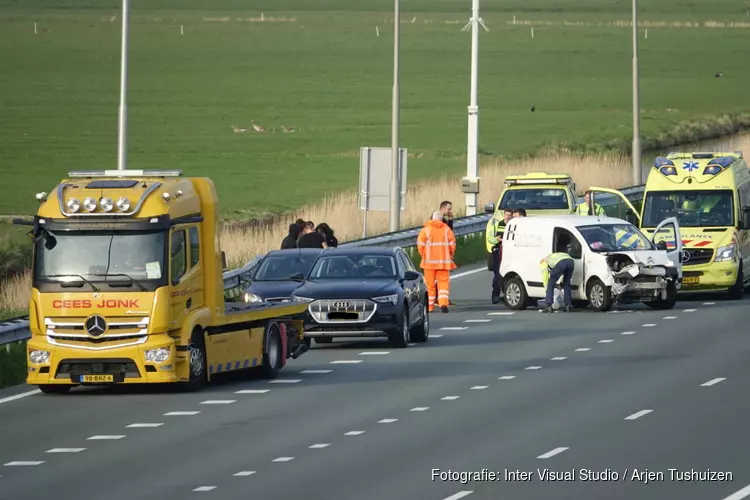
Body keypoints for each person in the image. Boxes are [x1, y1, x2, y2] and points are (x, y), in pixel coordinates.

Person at [417, 211, 457, 313]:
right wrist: (450, 255)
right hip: (443, 262)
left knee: (429, 286)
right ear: (441, 219)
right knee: (443, 284)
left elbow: (420, 245)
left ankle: (429, 306)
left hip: (429, 263)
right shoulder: (447, 230)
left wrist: (424, 255)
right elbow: (452, 244)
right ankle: (443, 303)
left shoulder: (426, 230)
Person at [486, 208, 513, 304]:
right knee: (498, 275)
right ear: (504, 215)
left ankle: (507, 295)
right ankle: (495, 295)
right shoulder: (497, 226)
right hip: (498, 253)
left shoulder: (514, 226)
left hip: (511, 253)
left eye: (510, 215)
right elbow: (489, 238)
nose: (508, 217)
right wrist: (497, 239)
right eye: (507, 215)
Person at [540, 245, 575, 313]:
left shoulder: (543, 262)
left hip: (561, 263)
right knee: (567, 283)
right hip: (571, 261)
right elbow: (562, 272)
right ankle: (567, 306)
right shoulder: (553, 256)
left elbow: (545, 277)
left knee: (550, 283)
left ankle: (549, 306)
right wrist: (561, 283)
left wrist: (546, 289)